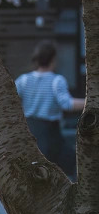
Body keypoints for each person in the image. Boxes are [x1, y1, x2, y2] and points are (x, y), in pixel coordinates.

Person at [15, 39, 84, 177]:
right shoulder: (56, 81)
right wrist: (90, 101)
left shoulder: (24, 80)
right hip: (51, 136)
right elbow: (67, 104)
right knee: (70, 167)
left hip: (30, 135)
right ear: (53, 59)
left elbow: (10, 98)